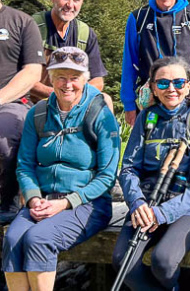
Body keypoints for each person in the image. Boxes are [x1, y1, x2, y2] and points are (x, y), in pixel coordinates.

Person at [2, 46, 120, 290]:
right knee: (12, 239)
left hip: (87, 203)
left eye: (74, 78)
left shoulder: (99, 114)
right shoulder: (38, 113)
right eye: (61, 77)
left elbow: (107, 176)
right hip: (43, 201)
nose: (68, 84)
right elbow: (25, 165)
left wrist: (66, 203)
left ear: (85, 79)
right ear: (51, 79)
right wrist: (34, 198)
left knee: (39, 238)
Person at [113, 56, 190, 290]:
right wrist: (137, 202)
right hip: (148, 202)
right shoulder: (147, 117)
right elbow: (129, 167)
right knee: (123, 263)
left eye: (179, 82)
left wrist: (162, 214)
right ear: (152, 87)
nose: (171, 89)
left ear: (188, 86)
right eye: (162, 83)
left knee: (164, 261)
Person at [0, 0, 44, 222]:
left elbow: (32, 72)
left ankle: (6, 203)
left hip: (10, 102)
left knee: (4, 140)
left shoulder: (21, 22)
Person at [30, 0, 107, 102]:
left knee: (106, 99)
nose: (70, 5)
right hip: (33, 102)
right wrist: (56, 95)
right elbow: (19, 76)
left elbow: (98, 80)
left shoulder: (85, 33)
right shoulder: (32, 27)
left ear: (82, 1)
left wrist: (77, 96)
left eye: (76, 0)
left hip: (74, 102)